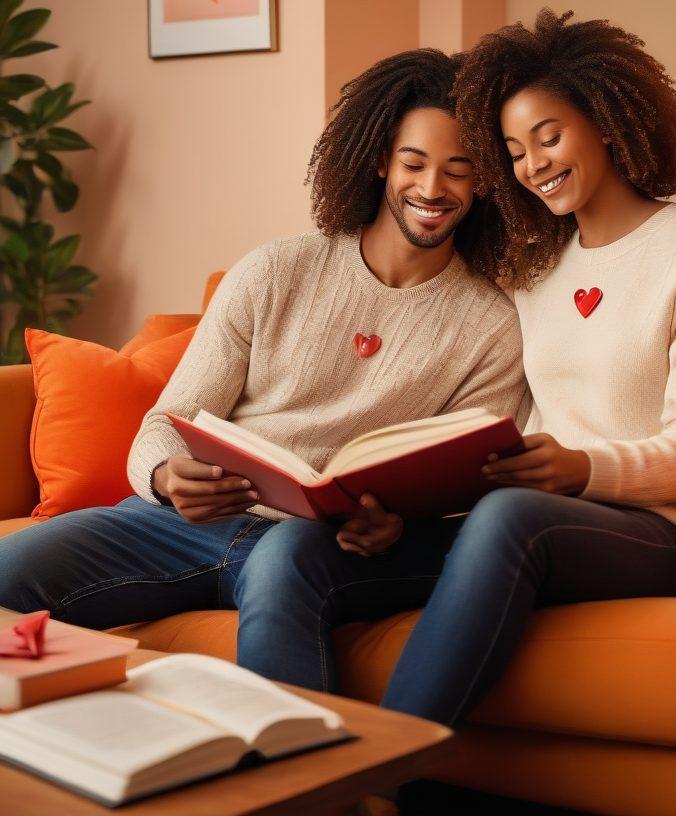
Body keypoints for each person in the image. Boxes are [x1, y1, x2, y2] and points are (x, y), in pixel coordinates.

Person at [0, 49, 530, 694]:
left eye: (459, 171)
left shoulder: (492, 323)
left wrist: (398, 525)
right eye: (414, 163)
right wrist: (168, 478)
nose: (431, 189)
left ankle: (308, 790)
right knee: (10, 566)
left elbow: (463, 484)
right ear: (380, 161)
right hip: (186, 525)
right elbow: (165, 424)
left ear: (484, 185)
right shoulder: (276, 271)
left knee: (285, 570)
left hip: (319, 542)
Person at [375, 8, 676, 730]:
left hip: (652, 530)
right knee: (321, 548)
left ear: (610, 122)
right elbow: (516, 419)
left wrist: (582, 468)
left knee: (511, 517)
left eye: (549, 137)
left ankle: (377, 768)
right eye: (516, 150)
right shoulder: (534, 269)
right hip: (530, 511)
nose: (533, 165)